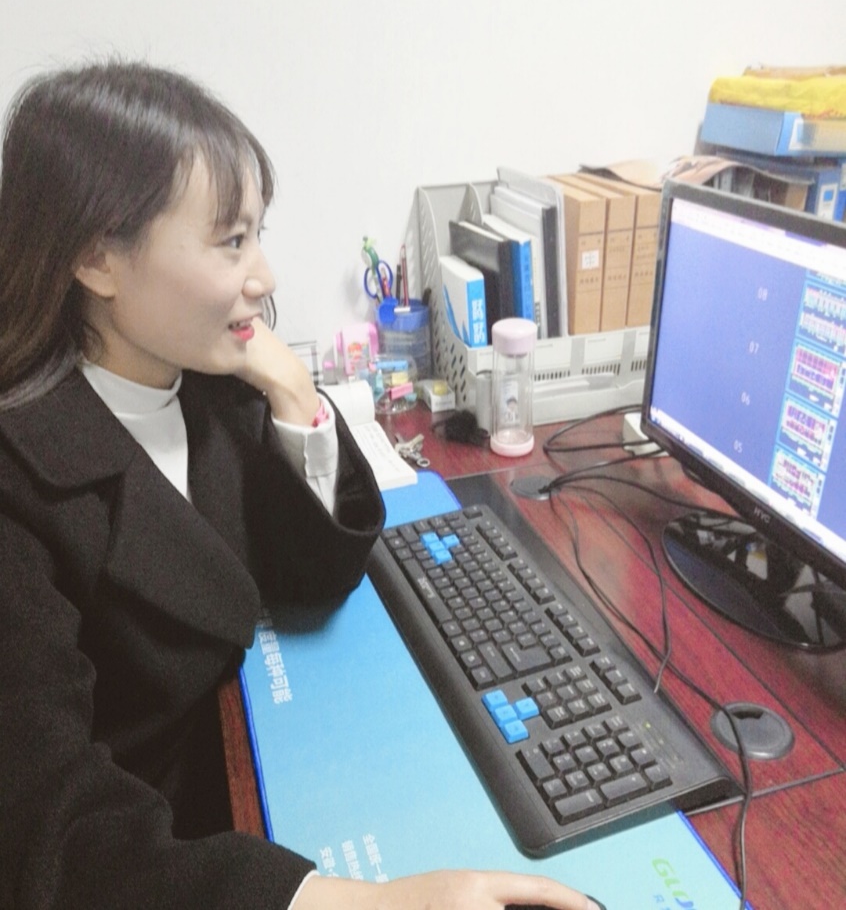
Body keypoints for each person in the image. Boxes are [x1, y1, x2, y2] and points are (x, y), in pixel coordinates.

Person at [0, 59, 602, 910]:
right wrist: (365, 904)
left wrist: (294, 395)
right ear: (98, 257)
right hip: (164, 862)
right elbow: (59, 845)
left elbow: (312, 573)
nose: (265, 277)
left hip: (241, 771)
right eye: (231, 241)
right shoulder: (23, 480)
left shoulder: (206, 384)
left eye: (257, 235)